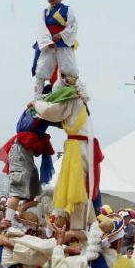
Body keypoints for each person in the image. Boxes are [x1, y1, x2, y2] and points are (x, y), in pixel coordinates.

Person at [30, 75, 103, 228]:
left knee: (77, 192)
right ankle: (90, 226)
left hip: (78, 149)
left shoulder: (72, 97)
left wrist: (36, 104)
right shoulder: (80, 100)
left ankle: (78, 229)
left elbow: (54, 111)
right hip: (82, 147)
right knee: (81, 190)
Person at [0, 107, 55, 222]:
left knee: (34, 190)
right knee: (17, 191)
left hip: (27, 156)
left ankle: (23, 215)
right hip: (21, 154)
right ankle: (8, 222)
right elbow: (57, 120)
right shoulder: (38, 109)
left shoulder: (44, 108)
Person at [32, 0, 79, 99]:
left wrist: (61, 35)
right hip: (49, 43)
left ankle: (69, 93)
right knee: (42, 70)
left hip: (63, 43)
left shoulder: (67, 10)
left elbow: (73, 26)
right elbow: (41, 29)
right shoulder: (45, 12)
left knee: (68, 68)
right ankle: (38, 97)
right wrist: (48, 41)